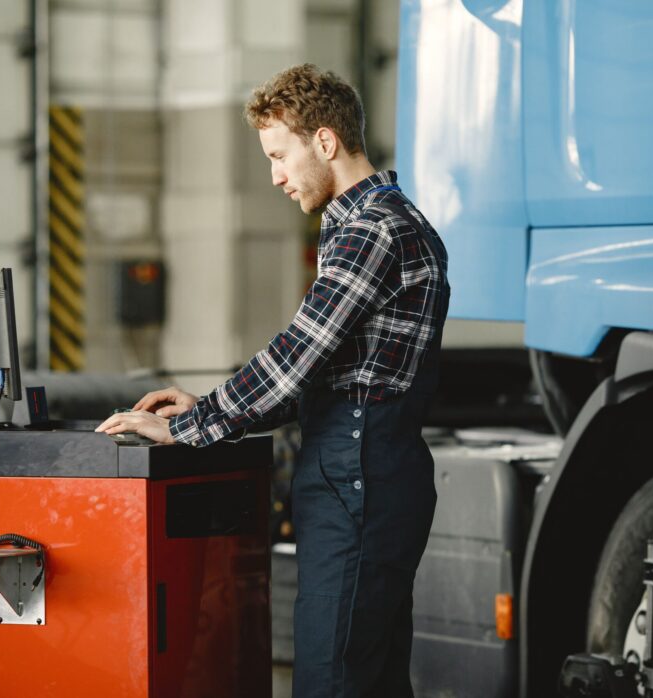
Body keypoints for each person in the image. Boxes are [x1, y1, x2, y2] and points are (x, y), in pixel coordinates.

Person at [96, 63, 450, 697]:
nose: (275, 176)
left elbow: (294, 361)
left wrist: (190, 427)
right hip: (366, 470)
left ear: (324, 141)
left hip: (358, 477)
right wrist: (206, 405)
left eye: (280, 155)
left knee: (332, 682)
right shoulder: (371, 224)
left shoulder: (373, 229)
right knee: (371, 680)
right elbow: (330, 371)